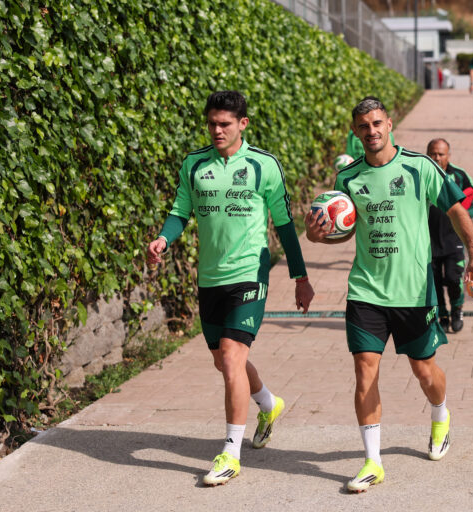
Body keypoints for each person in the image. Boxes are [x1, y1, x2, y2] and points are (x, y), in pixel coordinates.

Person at [305, 97, 473, 492]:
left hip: (413, 291)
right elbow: (346, 231)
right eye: (363, 126)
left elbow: (457, 208)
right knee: (364, 370)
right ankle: (372, 462)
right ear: (355, 132)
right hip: (366, 290)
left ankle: (441, 414)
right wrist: (316, 236)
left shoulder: (419, 166)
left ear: (389, 124)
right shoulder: (348, 179)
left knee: (424, 372)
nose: (371, 131)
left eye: (377, 123)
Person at [147, 90, 315, 486]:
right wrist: (163, 239)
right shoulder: (194, 164)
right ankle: (268, 404)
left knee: (231, 356)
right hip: (210, 278)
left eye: (225, 124)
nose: (217, 130)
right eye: (212, 123)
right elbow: (179, 212)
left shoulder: (264, 166)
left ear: (243, 124)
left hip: (250, 273)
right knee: (226, 363)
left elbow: (285, 226)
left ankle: (230, 452)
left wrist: (300, 277)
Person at [426, 139, 473, 333]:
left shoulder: (458, 175)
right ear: (427, 154)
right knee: (434, 281)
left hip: (453, 239)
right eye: (433, 154)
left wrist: (465, 216)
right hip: (428, 241)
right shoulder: (420, 175)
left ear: (448, 155)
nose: (437, 158)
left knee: (452, 278)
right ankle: (442, 315)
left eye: (441, 154)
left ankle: (457, 310)